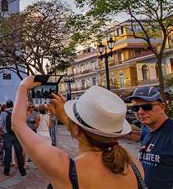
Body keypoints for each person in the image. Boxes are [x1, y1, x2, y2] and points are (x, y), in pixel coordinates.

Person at [12, 76, 145, 188]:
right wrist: (69, 119)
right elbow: (96, 137)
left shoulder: (67, 170)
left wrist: (23, 88)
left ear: (77, 129)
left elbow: (18, 124)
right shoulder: (134, 165)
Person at [125, 86, 173, 189]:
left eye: (147, 107)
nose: (140, 112)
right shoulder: (145, 130)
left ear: (162, 107)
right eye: (135, 108)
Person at [0, 100, 26, 176]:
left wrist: (3, 132)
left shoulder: (3, 113)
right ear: (13, 105)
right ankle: (22, 171)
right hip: (16, 135)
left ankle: (6, 171)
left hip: (7, 135)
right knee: (19, 153)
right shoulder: (17, 112)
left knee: (7, 153)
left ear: (6, 106)